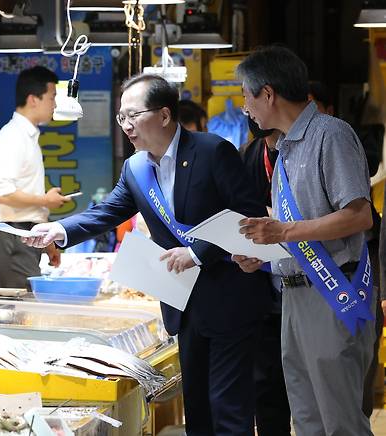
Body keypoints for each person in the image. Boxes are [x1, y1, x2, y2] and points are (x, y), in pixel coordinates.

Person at [23, 73, 272, 436]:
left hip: (230, 301)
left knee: (228, 411)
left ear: (165, 115)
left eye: (133, 116)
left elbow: (248, 216)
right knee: (198, 412)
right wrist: (60, 230)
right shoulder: (136, 167)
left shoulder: (212, 151)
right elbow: (107, 212)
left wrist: (198, 253)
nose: (126, 125)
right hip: (183, 307)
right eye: (120, 117)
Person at [235, 46, 375, 435]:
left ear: (268, 93)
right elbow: (294, 230)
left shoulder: (331, 135)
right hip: (292, 295)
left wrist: (281, 231)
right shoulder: (282, 152)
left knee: (339, 420)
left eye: (245, 96)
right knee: (307, 418)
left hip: (332, 292)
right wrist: (261, 255)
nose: (245, 108)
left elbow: (359, 215)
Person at [0, 66, 67, 288]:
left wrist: (47, 244)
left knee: (29, 305)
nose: (55, 105)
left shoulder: (27, 136)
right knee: (24, 308)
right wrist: (46, 201)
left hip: (24, 233)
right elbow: (3, 194)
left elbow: (25, 199)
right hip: (12, 235)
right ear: (33, 99)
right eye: (52, 98)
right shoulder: (13, 137)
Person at [239, 118, 291, 436]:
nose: (248, 108)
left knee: (310, 390)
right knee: (266, 389)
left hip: (313, 281)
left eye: (251, 96)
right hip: (262, 290)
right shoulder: (246, 156)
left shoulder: (308, 151)